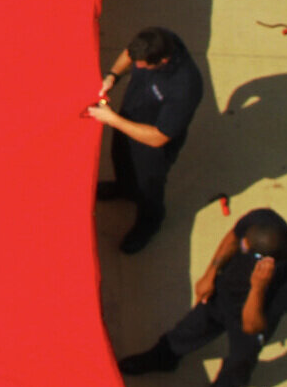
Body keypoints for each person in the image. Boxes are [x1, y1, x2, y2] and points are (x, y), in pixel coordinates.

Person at [119, 208, 287, 387]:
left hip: (251, 315)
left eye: (247, 248)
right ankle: (164, 357)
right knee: (189, 328)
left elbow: (251, 327)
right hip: (222, 295)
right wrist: (210, 274)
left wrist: (258, 287)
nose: (242, 244)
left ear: (265, 262)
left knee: (240, 361)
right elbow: (233, 237)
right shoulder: (263, 220)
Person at [87, 26, 203, 253]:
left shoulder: (184, 87)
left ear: (164, 60)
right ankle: (124, 188)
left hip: (152, 145)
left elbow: (159, 137)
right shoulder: (156, 40)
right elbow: (129, 54)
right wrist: (113, 76)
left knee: (148, 185)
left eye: (143, 65)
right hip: (129, 118)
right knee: (121, 159)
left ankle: (150, 221)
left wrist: (112, 119)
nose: (137, 67)